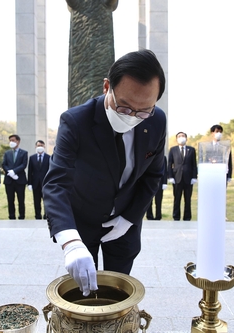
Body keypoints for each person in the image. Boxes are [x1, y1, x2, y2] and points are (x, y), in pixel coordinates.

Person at [42, 49, 166, 296]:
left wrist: (129, 218)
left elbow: (152, 176)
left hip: (124, 223)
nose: (133, 118)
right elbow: (56, 183)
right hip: (82, 223)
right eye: (125, 107)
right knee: (83, 295)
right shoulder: (76, 121)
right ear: (107, 87)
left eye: (144, 110)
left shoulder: (156, 121)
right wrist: (70, 241)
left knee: (119, 293)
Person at [167, 132, 198, 221]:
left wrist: (194, 177)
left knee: (187, 199)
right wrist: (170, 176)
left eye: (183, 136)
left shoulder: (191, 150)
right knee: (177, 199)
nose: (181, 138)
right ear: (176, 139)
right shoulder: (173, 150)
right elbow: (170, 164)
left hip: (188, 178)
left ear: (186, 138)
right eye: (179, 136)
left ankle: (187, 217)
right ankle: (176, 216)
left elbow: (194, 164)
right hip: (177, 178)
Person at [2, 134, 28, 219]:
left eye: (13, 140)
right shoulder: (7, 153)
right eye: (10, 140)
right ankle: (11, 216)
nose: (11, 142)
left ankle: (22, 215)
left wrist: (14, 171)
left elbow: (24, 164)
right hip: (9, 180)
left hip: (20, 180)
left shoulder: (24, 153)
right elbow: (4, 164)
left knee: (21, 199)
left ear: (18, 141)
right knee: (10, 199)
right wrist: (9, 171)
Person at [27, 140, 51, 219]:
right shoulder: (32, 158)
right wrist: (29, 183)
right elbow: (30, 171)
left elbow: (50, 170)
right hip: (35, 183)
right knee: (36, 201)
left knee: (46, 201)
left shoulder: (49, 157)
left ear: (44, 146)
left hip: (46, 183)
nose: (39, 147)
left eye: (41, 145)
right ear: (35, 147)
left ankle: (46, 215)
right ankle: (37, 215)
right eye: (38, 145)